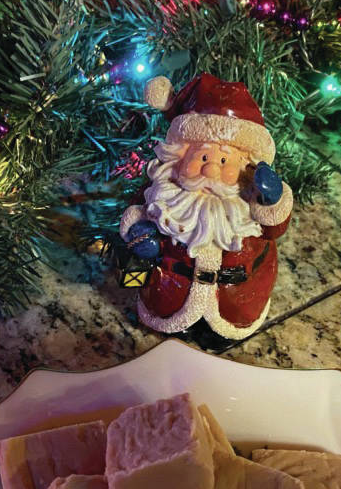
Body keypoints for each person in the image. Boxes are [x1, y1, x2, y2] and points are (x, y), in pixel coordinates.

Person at [120, 73, 293, 344]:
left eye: (224, 161)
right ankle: (176, 325)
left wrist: (272, 201)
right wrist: (137, 233)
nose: (210, 170)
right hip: (171, 291)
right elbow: (136, 213)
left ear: (246, 166)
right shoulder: (164, 194)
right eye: (202, 157)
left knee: (226, 330)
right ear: (179, 156)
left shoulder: (251, 202)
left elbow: (274, 228)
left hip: (235, 296)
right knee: (170, 328)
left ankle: (220, 332)